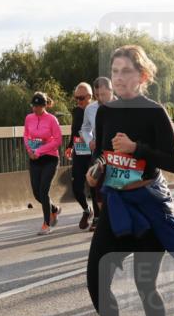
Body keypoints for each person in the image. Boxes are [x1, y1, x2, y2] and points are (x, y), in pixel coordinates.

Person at [85, 45, 174, 316]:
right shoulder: (105, 111)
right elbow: (105, 153)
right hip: (117, 202)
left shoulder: (154, 111)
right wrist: (97, 168)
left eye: (126, 72)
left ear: (142, 76)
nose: (119, 78)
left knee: (144, 284)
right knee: (96, 279)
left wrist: (136, 149)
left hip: (148, 202)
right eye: (115, 71)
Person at [24, 92, 63, 235]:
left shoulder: (52, 120)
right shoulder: (29, 118)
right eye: (33, 106)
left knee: (43, 190)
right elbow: (26, 135)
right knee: (36, 193)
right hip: (34, 159)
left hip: (50, 159)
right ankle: (54, 209)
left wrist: (40, 150)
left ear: (44, 105)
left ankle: (47, 224)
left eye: (38, 106)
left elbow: (57, 141)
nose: (35, 109)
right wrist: (29, 150)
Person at [81, 77, 114, 231]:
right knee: (95, 180)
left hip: (117, 151)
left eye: (103, 94)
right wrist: (89, 141)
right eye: (97, 95)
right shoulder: (90, 109)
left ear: (111, 90)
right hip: (99, 150)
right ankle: (99, 217)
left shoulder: (122, 106)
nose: (100, 98)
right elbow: (85, 128)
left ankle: (112, 216)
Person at [65, 82, 96, 229]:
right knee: (76, 186)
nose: (78, 101)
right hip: (79, 151)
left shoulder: (97, 110)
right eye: (76, 98)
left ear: (90, 97)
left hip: (94, 152)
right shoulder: (76, 111)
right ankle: (86, 210)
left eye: (81, 98)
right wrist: (70, 146)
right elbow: (74, 131)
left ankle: (97, 217)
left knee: (94, 184)